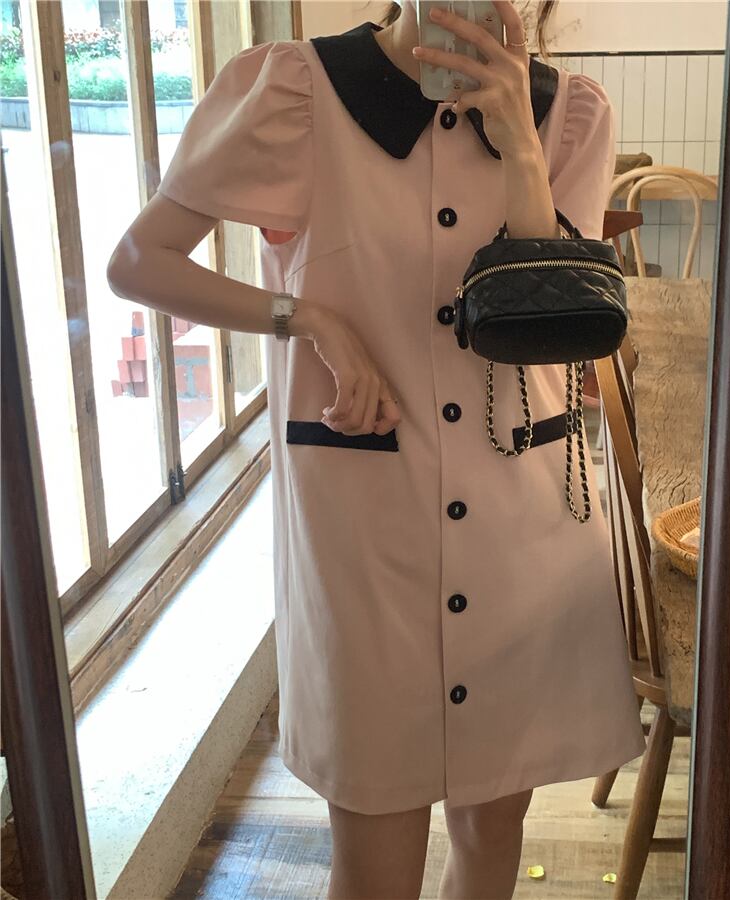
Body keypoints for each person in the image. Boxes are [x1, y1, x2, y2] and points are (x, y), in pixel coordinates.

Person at [106, 2, 646, 897]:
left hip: (521, 530)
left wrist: (520, 147)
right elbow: (139, 261)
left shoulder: (569, 116)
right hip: (364, 541)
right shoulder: (298, 95)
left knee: (492, 836)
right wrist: (306, 317)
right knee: (375, 863)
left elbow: (559, 327)